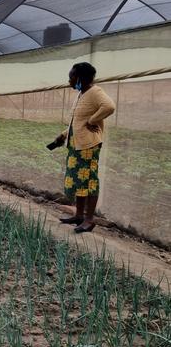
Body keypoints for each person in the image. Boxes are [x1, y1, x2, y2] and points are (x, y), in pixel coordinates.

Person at [49, 62, 115, 233]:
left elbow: (109, 106)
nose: (69, 80)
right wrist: (63, 135)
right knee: (79, 181)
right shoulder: (81, 94)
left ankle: (89, 219)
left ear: (81, 78)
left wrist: (92, 121)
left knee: (89, 181)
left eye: (71, 77)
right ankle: (79, 215)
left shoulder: (95, 92)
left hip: (88, 146)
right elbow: (77, 122)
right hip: (75, 145)